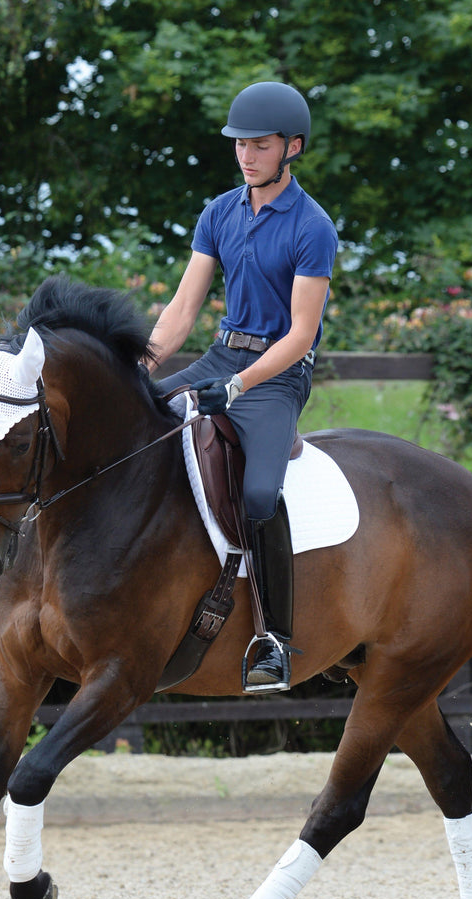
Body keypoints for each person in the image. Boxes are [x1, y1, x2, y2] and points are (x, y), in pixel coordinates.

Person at [144, 81, 339, 692]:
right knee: (134, 426)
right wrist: (142, 371)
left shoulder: (313, 227)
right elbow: (181, 310)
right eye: (239, 144)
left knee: (259, 495)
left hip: (276, 377)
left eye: (259, 144)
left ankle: (273, 639)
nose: (246, 155)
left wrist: (238, 388)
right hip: (220, 355)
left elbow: (301, 336)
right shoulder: (219, 213)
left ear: (292, 148)